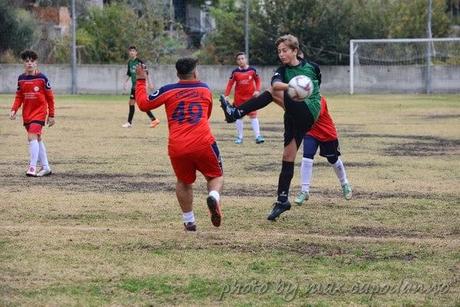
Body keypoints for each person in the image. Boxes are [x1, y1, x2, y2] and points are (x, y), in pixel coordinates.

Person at [220, 34, 322, 221]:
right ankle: (282, 200)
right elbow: (276, 83)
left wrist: (298, 90)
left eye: (285, 50)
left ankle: (236, 113)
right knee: (288, 156)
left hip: (309, 112)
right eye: (279, 51)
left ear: (295, 51)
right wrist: (293, 86)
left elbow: (313, 88)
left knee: (271, 92)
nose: (281, 54)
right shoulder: (282, 71)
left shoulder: (312, 67)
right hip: (292, 114)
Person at [135, 57, 223, 231]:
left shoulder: (168, 90)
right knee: (215, 176)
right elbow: (207, 115)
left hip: (178, 146)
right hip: (203, 142)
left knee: (183, 181)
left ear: (177, 73)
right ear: (195, 72)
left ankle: (189, 220)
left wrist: (140, 80)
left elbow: (144, 105)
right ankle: (213, 196)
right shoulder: (204, 89)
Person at [294, 97, 352, 205]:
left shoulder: (320, 99)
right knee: (307, 158)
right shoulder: (299, 98)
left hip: (327, 133)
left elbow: (314, 116)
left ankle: (344, 183)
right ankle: (304, 191)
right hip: (311, 133)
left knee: (333, 160)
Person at [10, 49, 55, 177]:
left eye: (32, 61)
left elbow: (50, 98)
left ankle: (32, 167)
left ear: (36, 63)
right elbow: (19, 96)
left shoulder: (42, 78)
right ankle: (46, 167)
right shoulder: (21, 79)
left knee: (31, 137)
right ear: (24, 63)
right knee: (37, 138)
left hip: (40, 113)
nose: (29, 63)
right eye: (27, 61)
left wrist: (51, 114)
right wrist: (14, 109)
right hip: (27, 114)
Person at [224, 52, 264, 144]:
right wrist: (226, 95)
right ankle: (240, 137)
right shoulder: (235, 72)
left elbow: (258, 80)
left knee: (253, 116)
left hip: (251, 99)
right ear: (237, 61)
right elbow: (230, 84)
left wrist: (257, 90)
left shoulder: (252, 70)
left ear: (246, 59)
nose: (241, 60)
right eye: (239, 59)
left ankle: (258, 136)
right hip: (239, 99)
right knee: (239, 117)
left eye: (242, 58)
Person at [122, 45, 160, 128]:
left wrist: (149, 83)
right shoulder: (129, 62)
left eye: (133, 51)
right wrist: (125, 83)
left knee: (141, 104)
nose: (132, 52)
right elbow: (129, 73)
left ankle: (153, 120)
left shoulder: (139, 62)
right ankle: (130, 122)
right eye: (130, 51)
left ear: (136, 53)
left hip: (140, 86)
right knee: (132, 103)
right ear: (129, 52)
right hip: (134, 86)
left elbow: (146, 72)